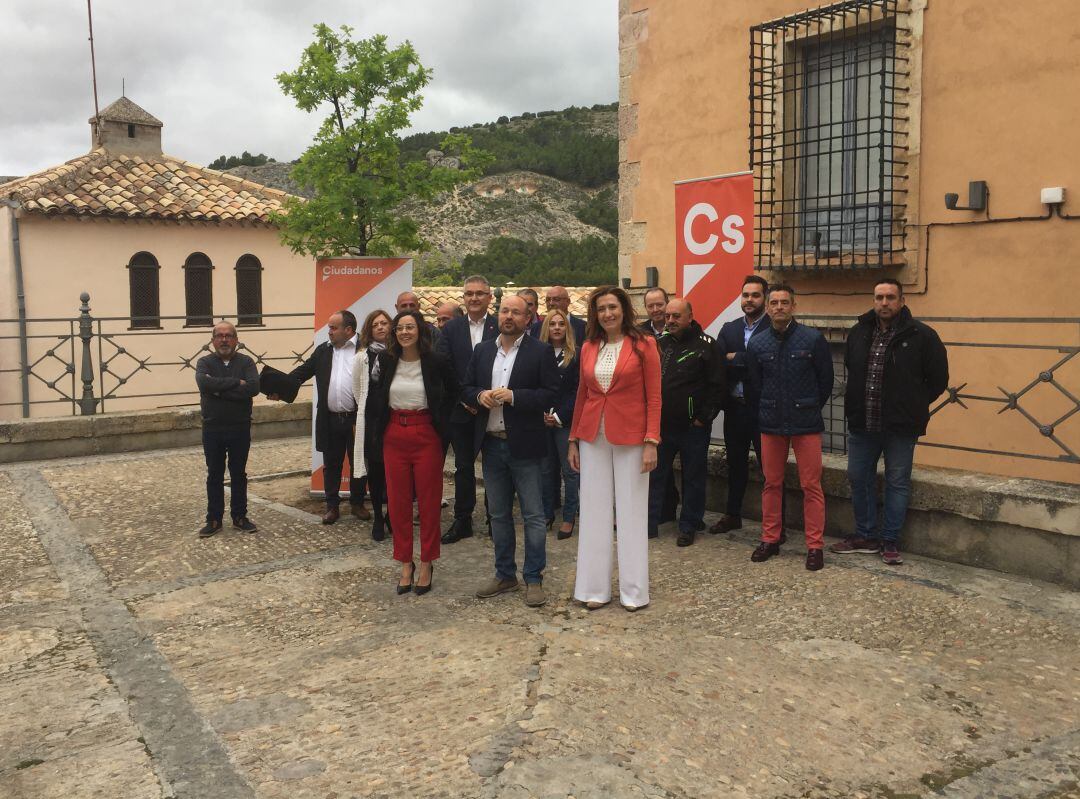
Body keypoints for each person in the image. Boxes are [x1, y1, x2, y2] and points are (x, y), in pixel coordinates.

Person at [831, 279, 949, 565]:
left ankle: (890, 540)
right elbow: (852, 368)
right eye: (879, 297)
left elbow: (938, 381)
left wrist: (911, 405)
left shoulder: (922, 335)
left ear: (902, 301)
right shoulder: (859, 332)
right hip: (863, 423)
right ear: (874, 300)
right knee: (859, 479)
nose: (884, 303)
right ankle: (866, 536)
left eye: (890, 298)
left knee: (897, 482)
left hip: (900, 427)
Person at [568, 287, 661, 611]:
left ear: (624, 309)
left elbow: (654, 396)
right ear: (595, 315)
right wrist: (573, 439)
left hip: (633, 439)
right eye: (601, 309)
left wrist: (651, 441)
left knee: (632, 514)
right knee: (593, 514)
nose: (607, 314)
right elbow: (583, 395)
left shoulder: (644, 344)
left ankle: (634, 593)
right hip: (593, 436)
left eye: (612, 307)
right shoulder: (590, 346)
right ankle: (594, 589)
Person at [465, 295, 560, 608]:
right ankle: (505, 574)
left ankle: (534, 577)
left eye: (515, 312)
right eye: (504, 310)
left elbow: (550, 393)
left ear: (527, 317)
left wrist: (515, 396)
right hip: (491, 445)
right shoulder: (481, 350)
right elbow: (465, 387)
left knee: (533, 516)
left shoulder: (540, 351)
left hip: (526, 446)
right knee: (498, 515)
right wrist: (479, 395)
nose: (508, 316)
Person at [364, 311, 458, 595]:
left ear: (420, 330)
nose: (405, 332)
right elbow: (375, 396)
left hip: (425, 433)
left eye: (410, 327)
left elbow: (455, 391)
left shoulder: (436, 361)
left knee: (429, 503)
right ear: (394, 333)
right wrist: (374, 434)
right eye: (400, 328)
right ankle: (406, 562)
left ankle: (427, 561)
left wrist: (444, 421)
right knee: (398, 503)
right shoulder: (386, 360)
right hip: (394, 433)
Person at [746, 285, 833, 571]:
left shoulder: (812, 339)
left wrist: (807, 405)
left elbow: (826, 381)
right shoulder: (757, 344)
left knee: (811, 485)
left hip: (806, 423)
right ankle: (770, 539)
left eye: (785, 302)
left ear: (793, 306)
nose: (779, 307)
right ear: (768, 307)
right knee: (771, 483)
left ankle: (815, 546)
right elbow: (754, 386)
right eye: (774, 303)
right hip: (770, 423)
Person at [648, 298, 725, 547]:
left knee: (693, 477)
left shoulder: (707, 346)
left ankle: (689, 525)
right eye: (667, 316)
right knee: (656, 476)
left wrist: (704, 417)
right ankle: (651, 522)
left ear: (689, 317)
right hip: (662, 426)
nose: (669, 321)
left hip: (693, 428)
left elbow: (718, 386)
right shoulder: (660, 345)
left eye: (676, 317)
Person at [280, 310, 365, 525]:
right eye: (329, 327)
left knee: (358, 464)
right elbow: (302, 372)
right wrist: (279, 387)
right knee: (332, 464)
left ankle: (357, 503)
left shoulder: (364, 348)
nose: (329, 332)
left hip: (357, 419)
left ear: (348, 330)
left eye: (333, 328)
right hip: (330, 419)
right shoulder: (323, 351)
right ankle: (332, 506)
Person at [710, 275, 775, 536]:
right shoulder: (730, 328)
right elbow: (718, 362)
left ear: (765, 298)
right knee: (734, 466)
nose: (749, 300)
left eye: (755, 295)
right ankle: (732, 514)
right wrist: (746, 361)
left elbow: (768, 364)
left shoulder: (774, 328)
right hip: (735, 409)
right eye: (746, 295)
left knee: (770, 470)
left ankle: (773, 524)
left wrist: (736, 359)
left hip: (763, 411)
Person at [437, 275, 498, 543]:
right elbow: (445, 367)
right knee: (463, 467)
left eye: (480, 293)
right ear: (464, 298)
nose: (474, 298)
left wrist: (487, 398)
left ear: (489, 298)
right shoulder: (451, 329)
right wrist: (467, 399)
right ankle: (463, 520)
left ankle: (495, 518)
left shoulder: (500, 326)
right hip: (461, 409)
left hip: (494, 408)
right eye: (469, 294)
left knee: (495, 467)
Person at [195, 321, 260, 537]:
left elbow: (253, 388)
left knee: (238, 474)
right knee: (214, 474)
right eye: (220, 336)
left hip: (239, 428)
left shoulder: (247, 362)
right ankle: (214, 519)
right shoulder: (204, 362)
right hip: (212, 428)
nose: (224, 339)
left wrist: (218, 389)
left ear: (236, 340)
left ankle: (240, 517)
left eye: (229, 335)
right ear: (213, 340)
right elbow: (204, 384)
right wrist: (236, 383)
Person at [539, 308, 581, 540]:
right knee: (545, 471)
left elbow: (578, 391)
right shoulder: (537, 353)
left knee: (570, 471)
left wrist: (558, 416)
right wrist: (543, 414)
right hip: (541, 420)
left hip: (565, 422)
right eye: (552, 324)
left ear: (567, 328)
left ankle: (568, 517)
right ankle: (546, 514)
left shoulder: (576, 355)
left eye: (561, 324)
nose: (556, 328)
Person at [352, 309, 393, 540]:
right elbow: (358, 392)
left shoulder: (400, 355)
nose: (380, 327)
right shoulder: (361, 357)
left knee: (395, 475)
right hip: (372, 424)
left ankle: (392, 515)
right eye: (375, 324)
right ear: (369, 329)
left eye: (384, 323)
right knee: (376, 475)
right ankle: (378, 516)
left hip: (395, 421)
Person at [637, 286, 676, 520]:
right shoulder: (638, 333)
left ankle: (669, 508)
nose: (655, 310)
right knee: (656, 464)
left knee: (669, 463)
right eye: (650, 306)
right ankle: (655, 513)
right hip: (647, 409)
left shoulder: (679, 329)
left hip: (674, 409)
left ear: (667, 303)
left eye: (659, 304)